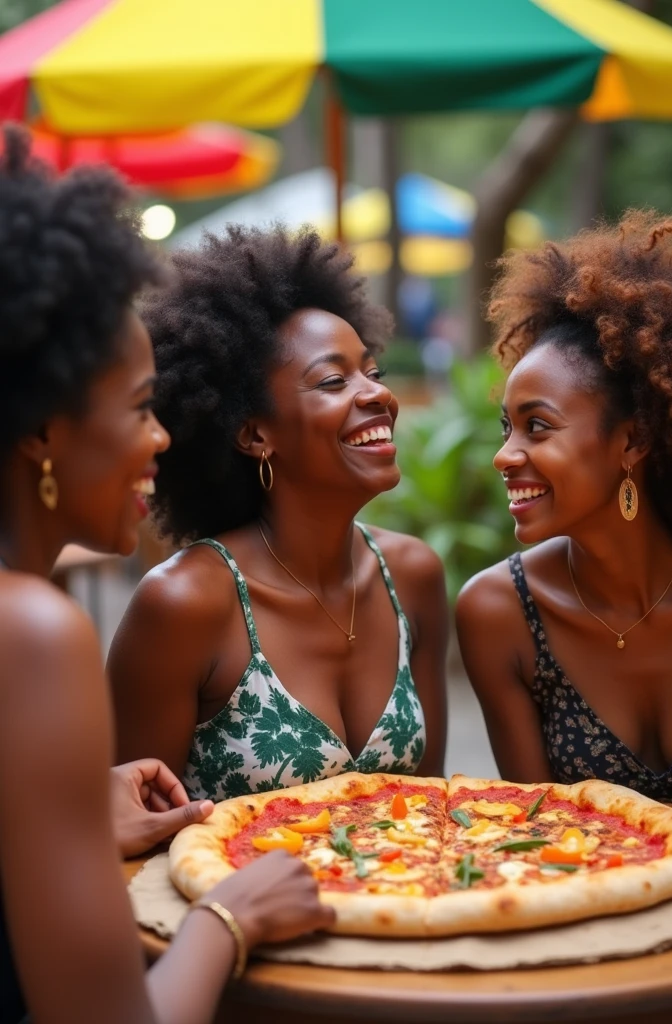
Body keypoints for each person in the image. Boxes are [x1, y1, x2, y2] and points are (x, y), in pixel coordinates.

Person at [0, 125, 331, 1024]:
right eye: (141, 408)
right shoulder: (32, 629)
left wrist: (69, 816)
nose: (163, 438)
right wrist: (232, 917)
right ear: (41, 430)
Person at [108, 226, 448, 801]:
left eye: (373, 372)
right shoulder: (184, 605)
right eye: (334, 380)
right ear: (253, 433)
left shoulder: (412, 577)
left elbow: (433, 810)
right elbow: (131, 835)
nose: (376, 395)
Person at [456, 211, 672, 802]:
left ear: (632, 440)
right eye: (506, 428)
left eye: (538, 427)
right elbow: (540, 834)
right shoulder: (500, 612)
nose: (505, 457)